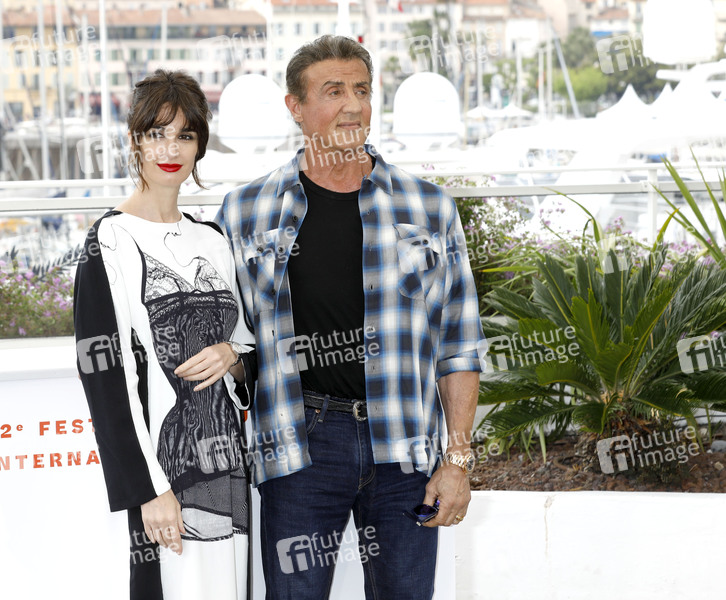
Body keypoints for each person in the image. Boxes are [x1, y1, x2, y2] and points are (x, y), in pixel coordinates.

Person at [215, 36, 484, 599]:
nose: (353, 105)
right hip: (299, 446)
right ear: (295, 107)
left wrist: (457, 461)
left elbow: (458, 346)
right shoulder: (245, 211)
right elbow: (235, 338)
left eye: (361, 90)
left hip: (407, 448)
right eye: (333, 91)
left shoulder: (428, 206)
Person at [74, 70, 256, 600]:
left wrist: (231, 355)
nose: (171, 149)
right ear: (135, 141)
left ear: (200, 145)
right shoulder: (110, 239)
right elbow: (104, 376)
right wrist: (148, 490)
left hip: (229, 460)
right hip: (166, 470)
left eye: (185, 135)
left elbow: (248, 348)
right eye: (157, 134)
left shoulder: (214, 238)